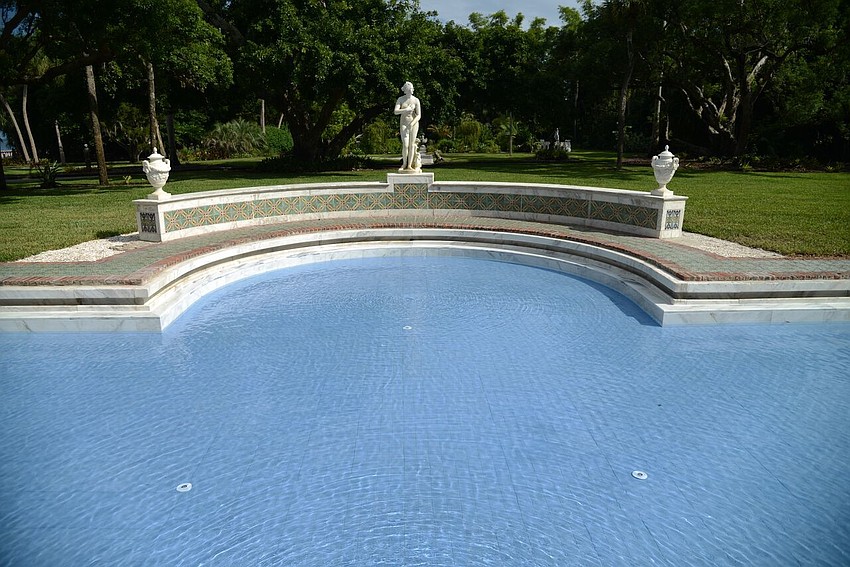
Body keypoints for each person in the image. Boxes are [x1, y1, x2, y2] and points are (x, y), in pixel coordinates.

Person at [394, 81, 422, 172]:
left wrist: (412, 123)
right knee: (405, 145)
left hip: (413, 124)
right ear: (405, 90)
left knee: (411, 145)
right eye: (409, 88)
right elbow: (396, 111)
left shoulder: (416, 100)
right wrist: (407, 109)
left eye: (412, 88)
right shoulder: (400, 99)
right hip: (404, 123)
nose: (411, 90)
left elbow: (418, 115)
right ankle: (404, 164)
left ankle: (409, 165)